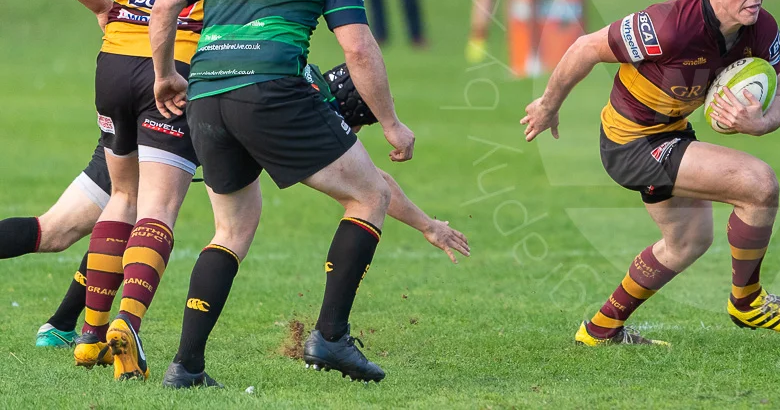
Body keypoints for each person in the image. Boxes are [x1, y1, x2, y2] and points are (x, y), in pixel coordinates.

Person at [149, 0, 416, 389]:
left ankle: (187, 366)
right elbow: (358, 46)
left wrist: (165, 75)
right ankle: (331, 337)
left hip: (206, 92)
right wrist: (390, 123)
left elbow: (168, 3)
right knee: (370, 195)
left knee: (232, 227)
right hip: (270, 88)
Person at [2, 65, 469, 352]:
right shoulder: (304, 109)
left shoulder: (299, 74)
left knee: (62, 230)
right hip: (167, 134)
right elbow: (374, 182)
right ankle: (75, 326)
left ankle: (62, 326)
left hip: (142, 114)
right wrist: (428, 225)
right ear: (350, 114)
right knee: (129, 220)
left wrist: (428, 224)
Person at [521, 0, 780, 346]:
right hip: (630, 143)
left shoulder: (762, 29)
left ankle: (601, 330)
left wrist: (759, 123)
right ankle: (748, 301)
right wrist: (548, 106)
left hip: (672, 133)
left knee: (687, 242)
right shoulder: (670, 26)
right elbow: (585, 47)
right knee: (758, 183)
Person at [49, 0, 249, 380]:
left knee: (122, 197)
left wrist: (105, 8)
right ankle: (127, 326)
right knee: (158, 207)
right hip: (176, 70)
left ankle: (88, 335)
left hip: (114, 61)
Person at [0, 148, 110, 348]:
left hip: (125, 133)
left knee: (54, 232)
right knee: (131, 227)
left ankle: (61, 325)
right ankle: (62, 324)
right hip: (148, 138)